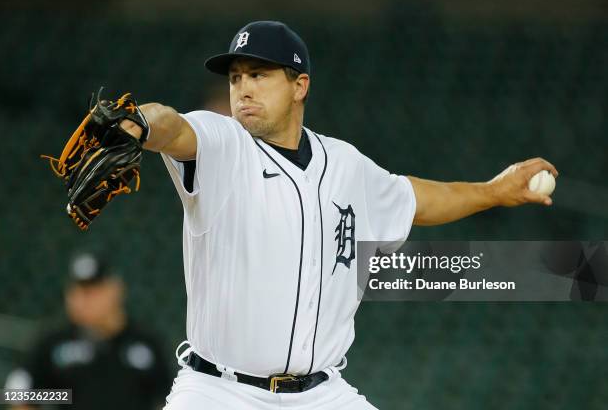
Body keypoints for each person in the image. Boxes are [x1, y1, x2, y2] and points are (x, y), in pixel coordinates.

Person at [118, 20, 559, 409]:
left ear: (299, 85)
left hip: (320, 394)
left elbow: (416, 201)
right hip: (220, 392)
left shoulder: (345, 164)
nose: (243, 88)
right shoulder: (223, 143)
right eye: (235, 78)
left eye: (259, 74)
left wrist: (495, 191)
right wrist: (139, 121)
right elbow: (173, 125)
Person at [4, 252, 171, 410]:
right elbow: (20, 393)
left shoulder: (146, 343)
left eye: (91, 292)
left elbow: (167, 398)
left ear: (115, 290)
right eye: (76, 291)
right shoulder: (55, 342)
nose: (81, 300)